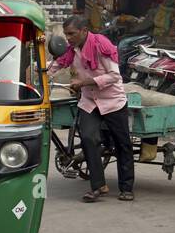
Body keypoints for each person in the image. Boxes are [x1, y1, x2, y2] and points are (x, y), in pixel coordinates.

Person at [48, 13, 134, 202]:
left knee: (123, 144)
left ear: (84, 31)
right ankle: (98, 186)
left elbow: (114, 76)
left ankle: (126, 187)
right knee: (88, 138)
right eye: (66, 34)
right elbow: (55, 66)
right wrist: (41, 74)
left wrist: (87, 81)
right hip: (89, 102)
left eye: (71, 34)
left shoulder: (101, 45)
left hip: (112, 101)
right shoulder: (71, 50)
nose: (68, 38)